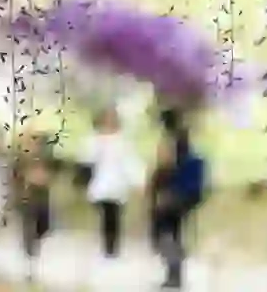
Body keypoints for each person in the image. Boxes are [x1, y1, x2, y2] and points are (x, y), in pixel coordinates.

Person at [149, 108, 207, 289]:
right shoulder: (183, 139)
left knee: (163, 232)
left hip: (175, 194)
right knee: (172, 232)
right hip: (187, 194)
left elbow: (166, 167)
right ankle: (175, 272)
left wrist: (157, 191)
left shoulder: (171, 141)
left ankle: (174, 271)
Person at [80, 108, 144, 258]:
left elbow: (131, 163)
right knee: (105, 214)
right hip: (100, 184)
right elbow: (86, 161)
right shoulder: (94, 140)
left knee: (113, 215)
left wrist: (138, 181)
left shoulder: (123, 142)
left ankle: (111, 247)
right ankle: (106, 245)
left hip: (117, 185)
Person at [11, 128, 56, 283]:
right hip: (26, 199)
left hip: (43, 199)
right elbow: (14, 178)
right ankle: (29, 265)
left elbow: (51, 175)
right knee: (28, 231)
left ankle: (32, 254)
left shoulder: (46, 158)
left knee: (44, 227)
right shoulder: (21, 158)